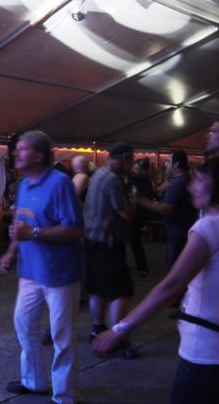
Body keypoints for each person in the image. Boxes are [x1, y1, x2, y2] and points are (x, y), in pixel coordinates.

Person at [93, 157, 219, 403]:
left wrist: (119, 329)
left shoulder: (209, 227)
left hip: (207, 351)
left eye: (199, 180)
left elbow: (171, 286)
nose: (191, 187)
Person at [0, 131, 84, 404]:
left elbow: (75, 229)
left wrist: (33, 233)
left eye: (22, 149)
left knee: (62, 336)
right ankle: (34, 382)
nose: (16, 153)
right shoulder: (23, 185)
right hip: (31, 272)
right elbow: (21, 225)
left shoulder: (60, 183)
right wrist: (10, 251)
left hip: (59, 273)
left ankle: (65, 395)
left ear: (39, 155)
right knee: (24, 325)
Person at [83, 142, 137, 355]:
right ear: (124, 158)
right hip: (108, 242)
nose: (132, 164)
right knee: (122, 291)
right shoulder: (114, 179)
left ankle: (97, 330)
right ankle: (116, 338)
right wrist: (135, 199)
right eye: (131, 160)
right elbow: (127, 213)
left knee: (98, 288)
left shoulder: (99, 174)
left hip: (92, 240)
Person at [136, 150, 197, 270]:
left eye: (168, 161)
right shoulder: (184, 179)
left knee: (174, 266)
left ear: (176, 164)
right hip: (182, 228)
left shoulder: (179, 183)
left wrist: (142, 200)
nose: (165, 164)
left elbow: (166, 209)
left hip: (178, 230)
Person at [128, 158, 155, 277]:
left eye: (137, 169)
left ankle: (142, 267)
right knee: (133, 240)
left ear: (143, 171)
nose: (134, 170)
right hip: (132, 213)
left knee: (135, 241)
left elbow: (145, 199)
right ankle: (141, 267)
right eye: (134, 167)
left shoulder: (145, 182)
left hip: (138, 215)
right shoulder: (133, 178)